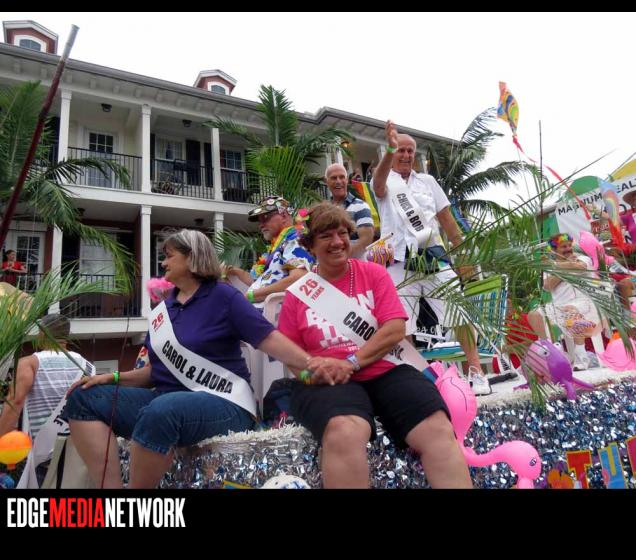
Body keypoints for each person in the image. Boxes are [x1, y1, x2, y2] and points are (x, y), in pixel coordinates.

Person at [64, 229, 314, 489]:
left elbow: (268, 339)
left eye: (169, 256)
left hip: (226, 402)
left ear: (192, 257)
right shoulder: (164, 310)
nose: (163, 263)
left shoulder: (224, 296)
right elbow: (154, 371)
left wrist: (311, 364)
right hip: (166, 400)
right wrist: (113, 377)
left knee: (162, 410)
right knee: (83, 398)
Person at [277, 203, 472, 488]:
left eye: (343, 233)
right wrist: (311, 374)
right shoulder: (298, 295)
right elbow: (290, 354)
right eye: (326, 236)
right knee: (343, 431)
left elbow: (394, 328)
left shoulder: (373, 274)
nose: (337, 242)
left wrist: (352, 362)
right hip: (330, 382)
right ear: (310, 245)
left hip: (386, 368)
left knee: (436, 426)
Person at [371, 120, 491, 395]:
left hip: (434, 257)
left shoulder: (428, 182)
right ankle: (414, 380)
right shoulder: (385, 180)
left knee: (458, 311)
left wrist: (463, 254)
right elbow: (377, 185)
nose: (405, 155)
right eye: (400, 150)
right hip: (399, 261)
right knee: (402, 323)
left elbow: (447, 220)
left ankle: (476, 371)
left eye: (409, 151)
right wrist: (389, 149)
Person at [0, 314, 95, 487]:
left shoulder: (30, 363)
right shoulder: (87, 367)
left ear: (42, 334)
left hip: (45, 460)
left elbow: (15, 402)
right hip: (81, 456)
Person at [223, 196, 313, 307]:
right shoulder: (277, 245)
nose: (261, 225)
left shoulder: (295, 239)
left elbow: (298, 278)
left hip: (272, 312)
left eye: (265, 218)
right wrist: (235, 271)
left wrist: (250, 296)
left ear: (284, 216)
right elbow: (258, 281)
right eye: (259, 220)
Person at [527, 233, 600, 371]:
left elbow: (580, 267)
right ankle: (551, 351)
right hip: (558, 307)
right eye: (563, 247)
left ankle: (581, 356)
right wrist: (564, 267)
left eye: (569, 246)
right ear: (554, 250)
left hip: (583, 303)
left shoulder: (582, 258)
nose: (568, 249)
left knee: (570, 311)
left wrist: (557, 265)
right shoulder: (550, 267)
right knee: (533, 314)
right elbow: (548, 285)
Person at [324, 163, 374, 259]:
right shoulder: (324, 211)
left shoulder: (361, 206)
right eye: (334, 178)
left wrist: (341, 258)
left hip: (355, 264)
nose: (338, 181)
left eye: (342, 177)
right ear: (326, 182)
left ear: (347, 180)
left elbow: (366, 240)